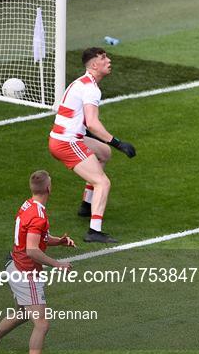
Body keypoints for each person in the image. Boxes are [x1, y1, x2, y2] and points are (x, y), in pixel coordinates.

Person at [0, 170, 75, 354]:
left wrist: (60, 242)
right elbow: (32, 250)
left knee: (22, 313)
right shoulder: (38, 215)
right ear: (49, 188)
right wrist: (58, 264)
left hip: (15, 265)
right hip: (26, 272)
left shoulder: (28, 205)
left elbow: (37, 238)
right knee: (42, 323)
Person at [49, 47, 136, 243]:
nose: (109, 60)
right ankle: (94, 231)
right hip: (67, 142)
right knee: (102, 182)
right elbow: (93, 124)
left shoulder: (83, 83)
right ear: (94, 65)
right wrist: (119, 144)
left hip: (64, 137)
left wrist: (109, 145)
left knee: (103, 152)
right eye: (103, 58)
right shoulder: (90, 88)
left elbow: (82, 122)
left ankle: (87, 205)